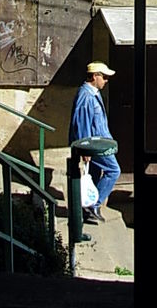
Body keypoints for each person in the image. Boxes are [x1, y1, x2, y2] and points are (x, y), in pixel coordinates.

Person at [68, 61, 121, 223]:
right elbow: (82, 123)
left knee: (96, 173)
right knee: (113, 171)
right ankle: (93, 205)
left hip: (100, 143)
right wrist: (86, 149)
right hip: (95, 146)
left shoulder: (93, 93)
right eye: (104, 77)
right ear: (95, 76)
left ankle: (87, 206)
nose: (106, 80)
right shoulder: (86, 96)